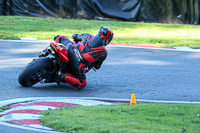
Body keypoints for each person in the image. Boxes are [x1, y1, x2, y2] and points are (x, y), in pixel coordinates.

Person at [39, 26, 114, 89]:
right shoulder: (104, 53)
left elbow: (74, 36)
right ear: (108, 39)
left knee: (59, 37)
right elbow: (97, 66)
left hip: (70, 49)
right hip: (78, 65)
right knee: (82, 83)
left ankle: (45, 51)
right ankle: (61, 75)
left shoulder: (88, 35)